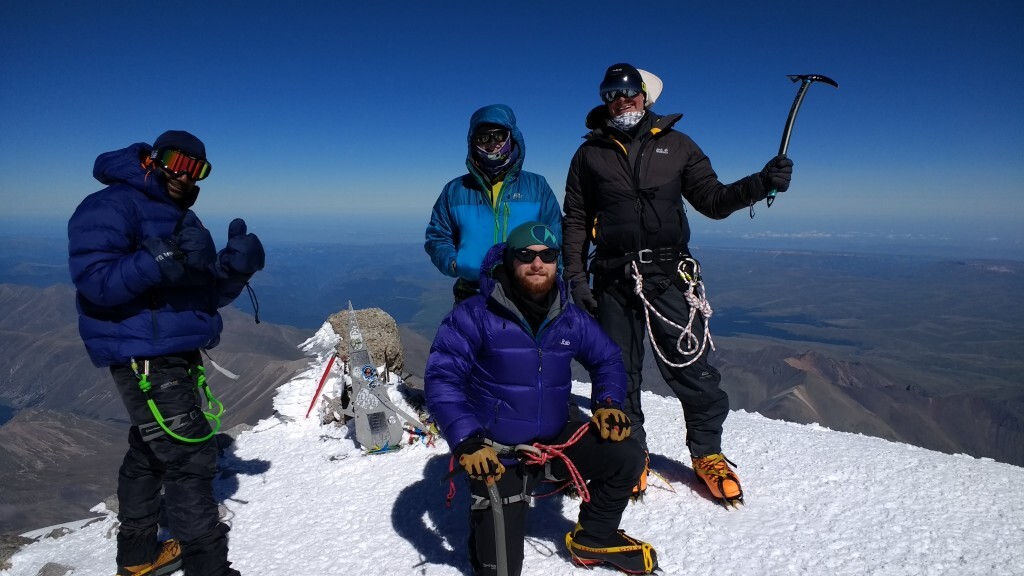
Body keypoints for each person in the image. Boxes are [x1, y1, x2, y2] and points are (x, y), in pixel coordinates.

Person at [562, 63, 795, 506]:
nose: (622, 99)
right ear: (604, 99)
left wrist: (761, 183)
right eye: (612, 92)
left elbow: (711, 199)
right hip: (612, 277)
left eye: (629, 92)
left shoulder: (677, 145)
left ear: (645, 97)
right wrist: (576, 278)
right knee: (615, 372)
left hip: (669, 276)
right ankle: (627, 453)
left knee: (692, 369)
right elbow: (574, 219)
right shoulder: (589, 154)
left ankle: (707, 454)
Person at [68, 130, 264, 576]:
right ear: (153, 160)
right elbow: (95, 282)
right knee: (191, 455)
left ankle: (138, 559)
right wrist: (157, 259)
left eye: (198, 170)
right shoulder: (110, 206)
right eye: (178, 162)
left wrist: (235, 270)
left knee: (151, 450)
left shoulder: (182, 218)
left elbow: (203, 296)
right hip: (143, 356)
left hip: (172, 352)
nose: (185, 175)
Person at [425, 221, 658, 576]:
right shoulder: (473, 315)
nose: (538, 263)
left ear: (556, 263)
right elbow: (443, 379)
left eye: (547, 255)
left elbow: (606, 357)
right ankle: (484, 526)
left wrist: (608, 403)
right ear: (508, 261)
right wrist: (467, 442)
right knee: (501, 571)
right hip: (497, 452)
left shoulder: (569, 316)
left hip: (556, 438)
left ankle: (594, 537)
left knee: (626, 456)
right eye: (526, 255)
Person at [425, 104, 562, 303]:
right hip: (472, 293)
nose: (492, 144)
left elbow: (556, 234)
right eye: (483, 138)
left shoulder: (537, 186)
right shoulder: (455, 190)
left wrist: (555, 279)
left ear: (511, 136)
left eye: (498, 136)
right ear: (473, 142)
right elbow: (438, 235)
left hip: (527, 294)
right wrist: (455, 264)